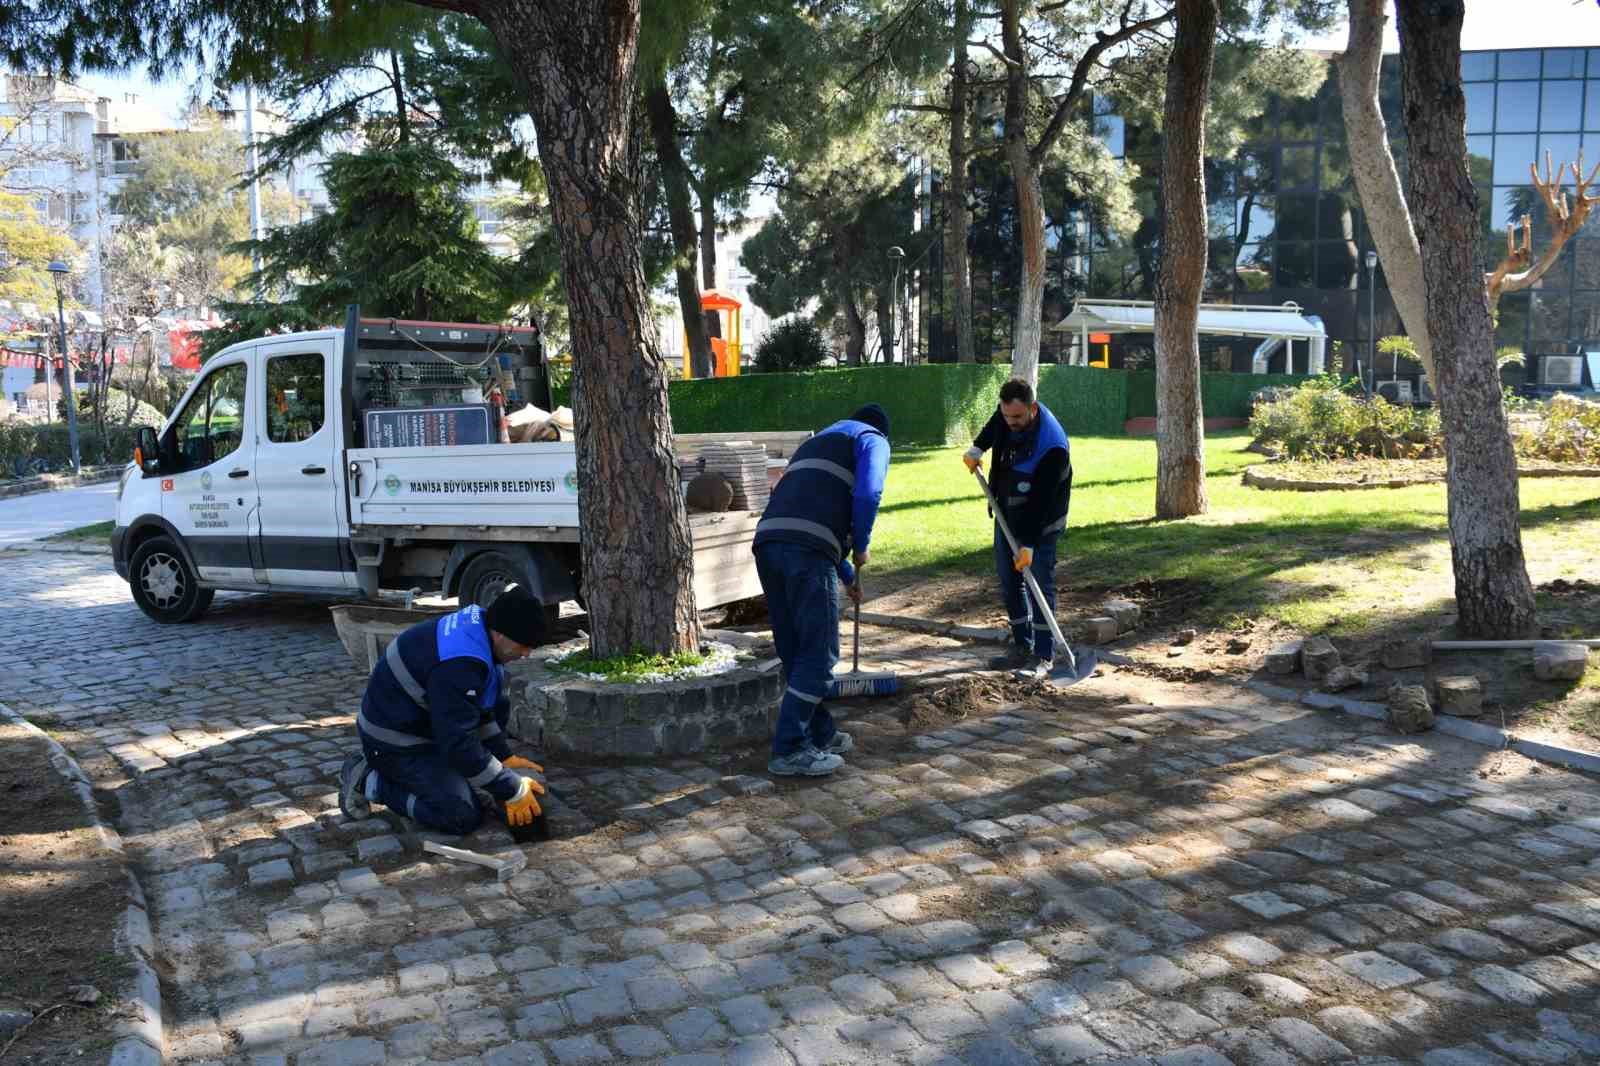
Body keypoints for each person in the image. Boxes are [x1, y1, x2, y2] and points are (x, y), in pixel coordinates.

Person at [338, 587, 548, 835]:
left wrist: (502, 756)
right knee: (460, 815)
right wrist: (511, 788)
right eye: (523, 645)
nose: (526, 654)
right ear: (500, 634)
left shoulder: (483, 630)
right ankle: (370, 780)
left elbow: (478, 710)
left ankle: (457, 773)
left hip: (427, 726)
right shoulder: (460, 664)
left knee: (495, 713)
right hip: (395, 743)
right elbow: (457, 740)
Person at [753, 403, 891, 776]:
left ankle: (821, 732)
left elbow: (803, 510)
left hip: (768, 543)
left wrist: (847, 576)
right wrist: (861, 543)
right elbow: (868, 494)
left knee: (795, 649)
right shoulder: (872, 439)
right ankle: (790, 749)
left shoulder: (817, 442)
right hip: (807, 551)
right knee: (818, 654)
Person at [963, 378, 1072, 681]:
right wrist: (977, 447)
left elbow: (1041, 502)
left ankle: (1044, 654)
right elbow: (996, 424)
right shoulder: (1007, 415)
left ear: (1033, 409)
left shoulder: (1052, 447)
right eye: (1006, 415)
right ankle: (1022, 645)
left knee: (1039, 585)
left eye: (1018, 417)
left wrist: (1029, 544)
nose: (1011, 422)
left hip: (1042, 522)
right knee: (1010, 583)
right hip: (1007, 512)